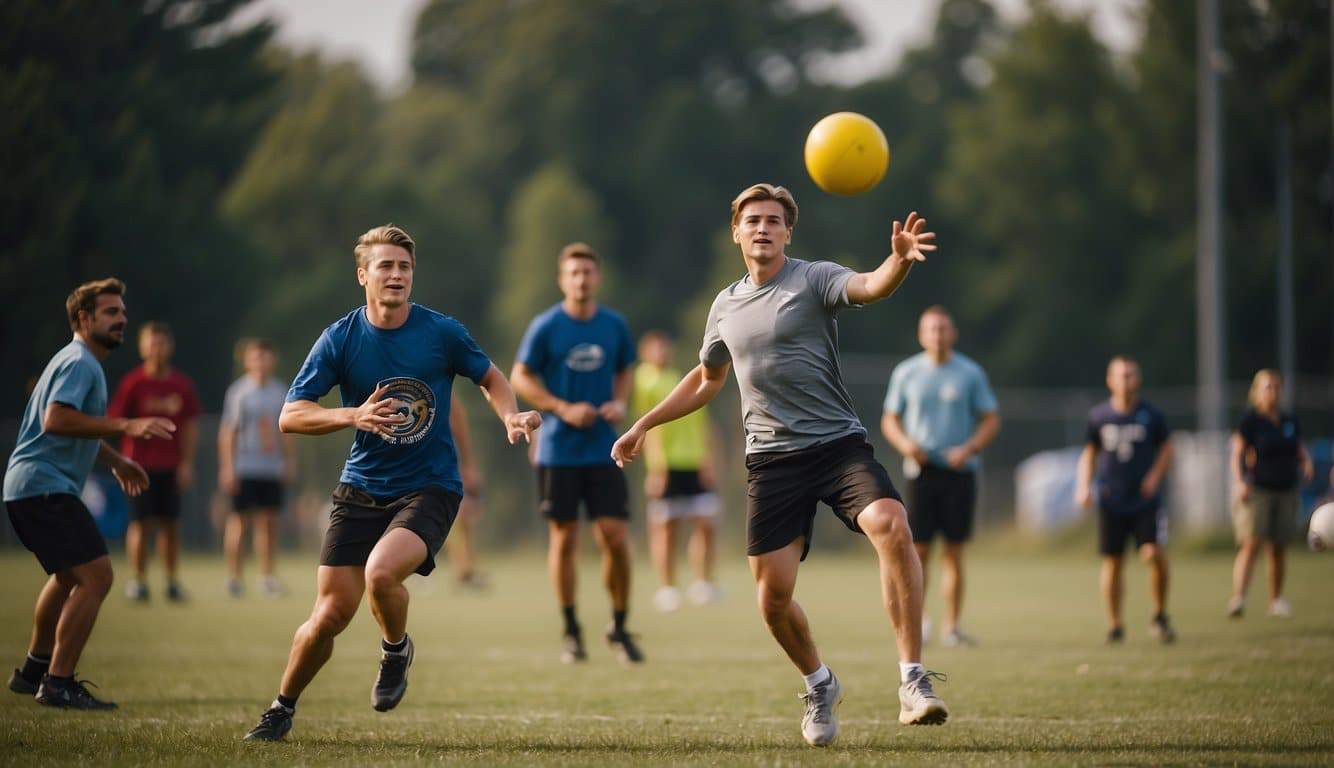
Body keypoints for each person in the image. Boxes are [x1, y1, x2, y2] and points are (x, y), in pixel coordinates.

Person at [612, 184, 948, 747]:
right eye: (753, 220)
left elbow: (866, 287)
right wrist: (645, 423)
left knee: (892, 526)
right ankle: (819, 683)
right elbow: (706, 379)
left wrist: (897, 260)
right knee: (772, 598)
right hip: (771, 462)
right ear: (736, 233)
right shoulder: (724, 305)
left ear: (788, 231)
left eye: (773, 220)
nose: (763, 228)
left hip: (838, 446)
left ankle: (912, 678)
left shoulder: (814, 278)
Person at [242, 225, 540, 742]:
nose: (397, 275)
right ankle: (279, 709)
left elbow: (490, 376)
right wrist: (350, 415)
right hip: (360, 487)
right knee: (330, 614)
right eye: (385, 266)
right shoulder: (340, 338)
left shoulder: (441, 332)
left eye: (404, 267)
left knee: (381, 573)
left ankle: (394, 649)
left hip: (430, 487)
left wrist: (510, 417)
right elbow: (290, 416)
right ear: (363, 275)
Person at [4, 278, 174, 708]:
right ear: (84, 318)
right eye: (111, 313)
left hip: (30, 487)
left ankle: (32, 670)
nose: (122, 320)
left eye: (122, 312)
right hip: (43, 486)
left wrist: (115, 460)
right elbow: (56, 420)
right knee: (97, 576)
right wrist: (126, 425)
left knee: (67, 577)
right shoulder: (81, 362)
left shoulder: (77, 361)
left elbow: (72, 425)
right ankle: (57, 682)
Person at [511, 243, 642, 665]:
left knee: (616, 539)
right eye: (573, 273)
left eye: (588, 272)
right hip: (559, 450)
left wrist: (620, 402)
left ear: (597, 277)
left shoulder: (614, 326)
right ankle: (571, 630)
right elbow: (520, 376)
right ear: (561, 279)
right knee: (565, 540)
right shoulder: (547, 326)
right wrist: (562, 407)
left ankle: (619, 627)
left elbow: (625, 370)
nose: (581, 279)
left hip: (604, 448)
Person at [881, 306, 999, 647]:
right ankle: (920, 619)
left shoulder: (969, 373)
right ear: (921, 335)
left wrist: (970, 448)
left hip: (960, 471)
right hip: (921, 471)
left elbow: (990, 418)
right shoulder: (907, 373)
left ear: (953, 333)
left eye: (943, 328)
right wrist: (906, 444)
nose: (937, 335)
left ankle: (953, 626)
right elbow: (890, 419)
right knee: (917, 552)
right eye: (931, 329)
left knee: (954, 552)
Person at [1075, 355, 1176, 645]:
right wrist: (1084, 486)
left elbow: (1167, 448)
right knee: (1113, 562)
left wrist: (1154, 477)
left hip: (1145, 500)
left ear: (1138, 379)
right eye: (1120, 375)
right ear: (1109, 380)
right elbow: (1090, 453)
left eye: (1130, 375)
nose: (1125, 380)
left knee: (1153, 553)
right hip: (1111, 499)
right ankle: (1115, 625)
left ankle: (1159, 614)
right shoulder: (1099, 416)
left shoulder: (1151, 415)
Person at [109, 322, 201, 603]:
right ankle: (138, 582)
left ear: (169, 347)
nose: (156, 348)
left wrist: (186, 463)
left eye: (161, 343)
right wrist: (121, 461)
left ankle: (172, 582)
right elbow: (116, 422)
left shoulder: (181, 386)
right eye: (151, 343)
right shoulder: (133, 383)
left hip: (171, 467)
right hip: (139, 467)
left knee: (170, 526)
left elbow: (190, 427)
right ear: (141, 347)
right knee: (140, 524)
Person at [631, 330, 722, 612]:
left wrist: (708, 458)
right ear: (645, 352)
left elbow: (701, 420)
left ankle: (702, 583)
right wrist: (657, 468)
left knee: (705, 523)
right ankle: (667, 587)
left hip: (694, 461)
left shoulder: (678, 377)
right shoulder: (644, 380)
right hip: (667, 466)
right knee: (666, 528)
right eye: (655, 347)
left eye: (664, 346)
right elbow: (648, 426)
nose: (662, 351)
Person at [1227, 369, 1313, 619]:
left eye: (1276, 387)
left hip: (1286, 489)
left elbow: (1297, 447)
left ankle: (1276, 600)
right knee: (1251, 543)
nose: (1272, 392)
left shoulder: (1289, 420)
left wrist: (1305, 460)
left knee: (1278, 548)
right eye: (1267, 387)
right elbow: (1238, 452)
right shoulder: (1250, 420)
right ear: (1257, 391)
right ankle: (1238, 598)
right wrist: (1240, 480)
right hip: (1259, 490)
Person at [219, 338, 296, 598]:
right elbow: (229, 431)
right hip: (245, 466)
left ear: (272, 360)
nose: (260, 362)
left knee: (269, 524)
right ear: (247, 361)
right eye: (255, 357)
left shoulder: (280, 392)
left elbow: (287, 431)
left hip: (271, 468)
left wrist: (288, 461)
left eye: (265, 356)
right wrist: (228, 467)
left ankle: (267, 577)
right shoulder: (239, 392)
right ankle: (235, 577)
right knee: (239, 522)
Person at [444, 397, 489, 591]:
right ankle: (464, 570)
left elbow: (457, 415)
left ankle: (466, 570)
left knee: (462, 516)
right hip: (430, 462)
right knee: (454, 518)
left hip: (448, 459)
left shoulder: (443, 389)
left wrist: (467, 464)